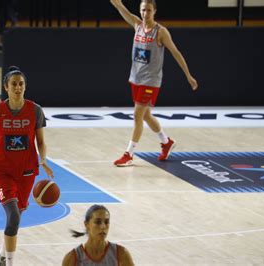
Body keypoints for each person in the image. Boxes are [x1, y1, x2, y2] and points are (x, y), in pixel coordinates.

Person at [110, 0, 198, 167]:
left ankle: (129, 154)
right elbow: (122, 9)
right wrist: (117, 3)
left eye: (149, 11)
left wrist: (188, 75)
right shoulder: (137, 25)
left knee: (137, 115)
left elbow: (176, 52)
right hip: (136, 78)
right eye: (143, 10)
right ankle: (166, 142)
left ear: (154, 11)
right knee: (146, 115)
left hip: (151, 81)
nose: (145, 14)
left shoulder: (161, 32)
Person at [0, 66, 54, 266]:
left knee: (17, 215)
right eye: (14, 84)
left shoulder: (35, 110)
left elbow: (40, 140)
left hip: (27, 170)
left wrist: (43, 159)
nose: (18, 87)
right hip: (2, 171)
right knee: (13, 215)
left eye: (21, 84)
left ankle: (1, 254)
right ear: (6, 87)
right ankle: (10, 263)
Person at [62, 205, 134, 266]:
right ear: (86, 224)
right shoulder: (72, 258)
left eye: (106, 222)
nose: (103, 226)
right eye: (98, 222)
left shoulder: (121, 254)